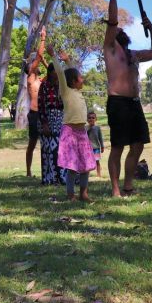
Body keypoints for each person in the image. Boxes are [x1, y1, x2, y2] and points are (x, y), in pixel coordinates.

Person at [104, 0, 152, 197]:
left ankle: (128, 185)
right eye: (117, 30)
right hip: (117, 103)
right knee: (118, 147)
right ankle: (116, 190)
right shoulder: (110, 49)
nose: (120, 31)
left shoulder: (134, 55)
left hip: (134, 104)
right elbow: (112, 21)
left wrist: (151, 28)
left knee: (138, 145)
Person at [47, 44, 95, 201]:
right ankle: (70, 194)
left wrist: (68, 61)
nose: (83, 78)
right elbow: (62, 74)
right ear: (74, 82)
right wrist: (54, 56)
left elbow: (73, 72)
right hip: (69, 132)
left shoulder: (78, 91)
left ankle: (83, 193)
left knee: (86, 165)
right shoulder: (66, 92)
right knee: (73, 167)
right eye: (80, 78)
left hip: (82, 133)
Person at [38, 61, 66, 186]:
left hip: (61, 118)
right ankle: (50, 178)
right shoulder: (44, 85)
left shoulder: (62, 85)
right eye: (55, 71)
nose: (56, 73)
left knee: (61, 149)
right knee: (49, 150)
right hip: (48, 119)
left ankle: (62, 177)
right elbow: (41, 105)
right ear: (50, 72)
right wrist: (44, 124)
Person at [25, 27, 47, 177]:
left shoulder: (40, 80)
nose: (34, 64)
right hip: (34, 114)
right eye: (32, 64)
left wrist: (45, 62)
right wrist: (43, 38)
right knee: (32, 143)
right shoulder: (30, 78)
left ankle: (47, 170)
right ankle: (28, 171)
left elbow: (55, 73)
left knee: (46, 144)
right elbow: (38, 56)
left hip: (44, 114)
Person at [87, 111, 105, 178]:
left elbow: (100, 138)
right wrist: (89, 128)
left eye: (93, 118)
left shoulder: (97, 128)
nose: (91, 119)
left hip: (96, 148)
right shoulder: (85, 128)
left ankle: (99, 174)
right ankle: (87, 175)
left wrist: (102, 146)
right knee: (88, 162)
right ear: (87, 119)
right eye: (89, 118)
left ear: (95, 119)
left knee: (97, 161)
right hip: (88, 148)